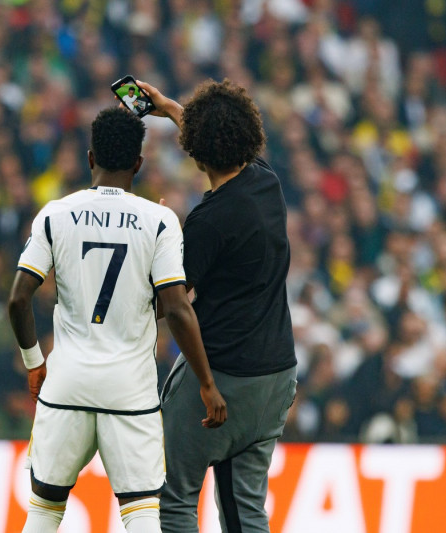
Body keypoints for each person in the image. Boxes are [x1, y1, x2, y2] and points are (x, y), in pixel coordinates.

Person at [7, 107, 227, 533]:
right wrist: (206, 382)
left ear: (91, 158)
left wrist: (35, 363)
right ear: (138, 165)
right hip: (130, 390)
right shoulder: (159, 221)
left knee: (45, 509)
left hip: (67, 383)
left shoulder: (55, 213)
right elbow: (177, 309)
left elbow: (18, 299)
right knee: (142, 513)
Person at [138, 79, 298, 532]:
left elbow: (172, 304)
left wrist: (206, 385)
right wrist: (171, 108)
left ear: (196, 152)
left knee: (172, 500)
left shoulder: (208, 222)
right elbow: (222, 139)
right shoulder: (267, 183)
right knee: (245, 508)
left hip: (224, 381)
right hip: (276, 379)